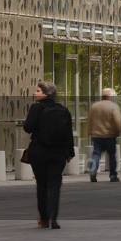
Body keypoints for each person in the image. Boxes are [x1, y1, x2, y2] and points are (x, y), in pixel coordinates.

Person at [23, 80, 74, 229]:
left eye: (38, 91)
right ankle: (54, 218)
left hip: (39, 152)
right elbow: (68, 134)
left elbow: (28, 128)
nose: (35, 93)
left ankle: (44, 219)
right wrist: (70, 152)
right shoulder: (63, 110)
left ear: (46, 94)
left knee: (42, 185)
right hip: (58, 153)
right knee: (55, 185)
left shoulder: (36, 108)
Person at [88, 87, 121, 183]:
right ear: (110, 96)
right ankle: (113, 175)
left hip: (97, 136)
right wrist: (118, 131)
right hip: (110, 135)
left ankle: (93, 171)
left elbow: (90, 120)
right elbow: (118, 121)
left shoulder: (94, 106)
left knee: (96, 154)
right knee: (111, 156)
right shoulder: (113, 106)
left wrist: (89, 132)